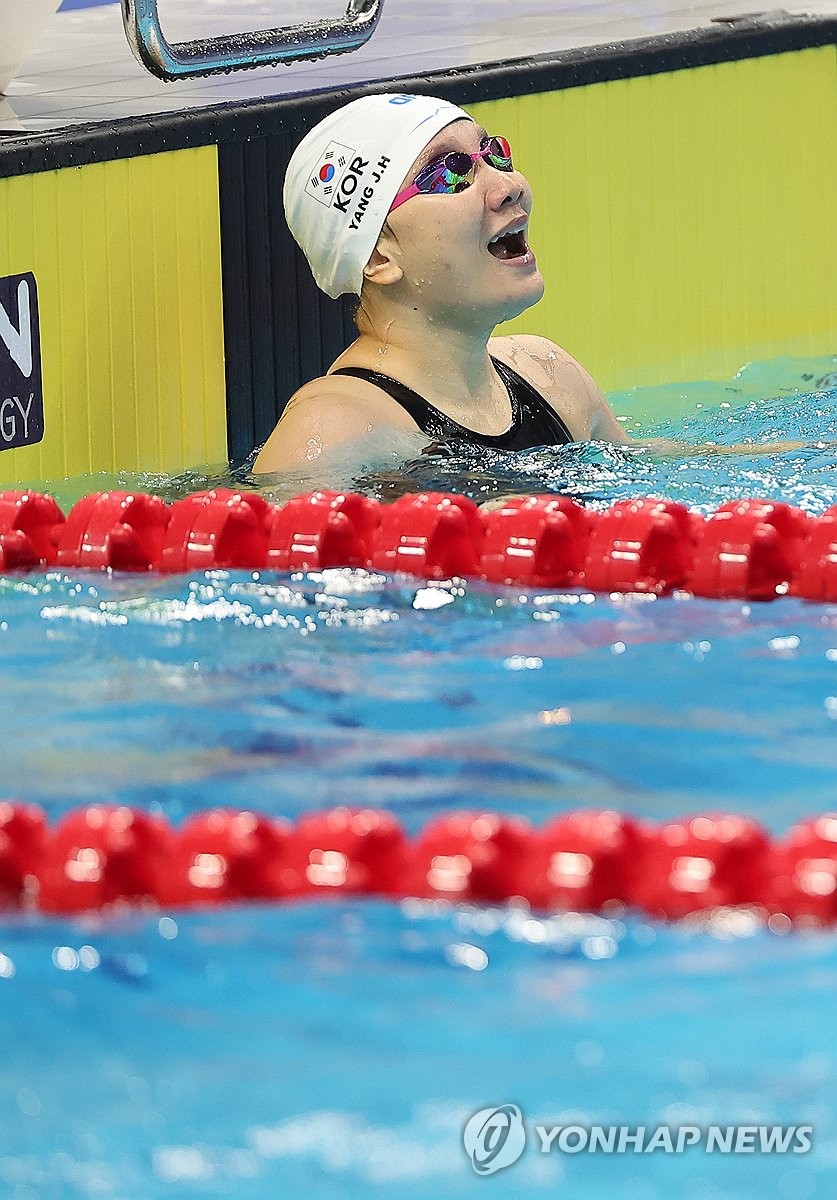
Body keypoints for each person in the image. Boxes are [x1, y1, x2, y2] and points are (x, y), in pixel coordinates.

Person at [253, 92, 630, 478]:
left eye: (494, 153)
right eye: (449, 173)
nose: (508, 187)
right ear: (378, 258)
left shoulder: (549, 374)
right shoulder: (333, 430)